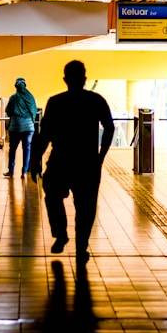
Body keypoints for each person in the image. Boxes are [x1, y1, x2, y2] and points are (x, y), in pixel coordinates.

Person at [31, 60, 114, 266]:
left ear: (65, 79)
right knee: (86, 207)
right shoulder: (96, 100)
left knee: (52, 195)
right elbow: (110, 127)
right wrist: (101, 156)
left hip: (60, 161)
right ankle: (81, 246)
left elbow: (45, 135)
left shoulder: (56, 102)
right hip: (87, 163)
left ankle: (60, 233)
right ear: (85, 79)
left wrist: (35, 161)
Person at [4, 77, 37, 178]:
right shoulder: (31, 98)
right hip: (29, 128)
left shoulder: (13, 98)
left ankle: (11, 171)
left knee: (12, 149)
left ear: (16, 87)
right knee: (26, 149)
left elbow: (8, 111)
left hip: (15, 128)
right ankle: (24, 172)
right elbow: (34, 111)